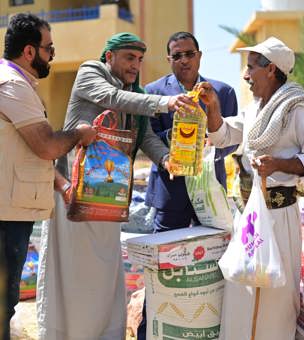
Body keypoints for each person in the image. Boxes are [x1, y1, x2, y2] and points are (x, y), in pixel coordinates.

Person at [36, 32, 192, 340]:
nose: (136, 65)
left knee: (104, 275)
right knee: (71, 275)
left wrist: (165, 160)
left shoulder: (135, 91)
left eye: (139, 60)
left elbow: (144, 137)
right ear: (110, 57)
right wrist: (164, 102)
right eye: (129, 58)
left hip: (109, 198)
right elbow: (113, 99)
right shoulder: (90, 72)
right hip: (73, 195)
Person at [194, 37, 304, 340]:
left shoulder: (298, 108)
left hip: (279, 216)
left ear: (270, 69)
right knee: (241, 291)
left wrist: (279, 165)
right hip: (250, 215)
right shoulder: (256, 109)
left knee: (274, 301)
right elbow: (225, 134)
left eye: (250, 68)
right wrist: (213, 107)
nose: (245, 75)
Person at [0, 13, 96, 340]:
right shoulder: (12, 85)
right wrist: (80, 134)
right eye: (49, 49)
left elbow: (24, 151)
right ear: (29, 52)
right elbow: (45, 145)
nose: (51, 56)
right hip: (5, 216)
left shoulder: (18, 84)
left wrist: (62, 183)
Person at [144, 31, 238, 232]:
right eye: (177, 56)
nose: (184, 60)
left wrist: (212, 148)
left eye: (189, 54)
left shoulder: (223, 92)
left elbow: (233, 140)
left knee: (212, 254)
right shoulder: (152, 92)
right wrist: (176, 136)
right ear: (168, 59)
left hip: (209, 189)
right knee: (166, 256)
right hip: (169, 190)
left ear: (200, 55)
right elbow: (148, 138)